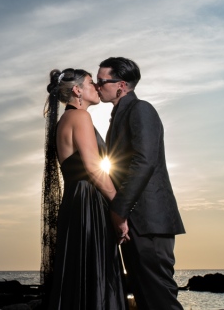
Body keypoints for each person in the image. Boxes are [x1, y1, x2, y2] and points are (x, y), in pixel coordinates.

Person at [97, 57, 185, 310]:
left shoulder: (141, 109)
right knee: (144, 297)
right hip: (135, 222)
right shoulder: (120, 114)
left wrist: (119, 211)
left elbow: (144, 161)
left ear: (121, 85)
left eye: (103, 81)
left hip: (149, 221)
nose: (98, 85)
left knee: (160, 298)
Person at [42, 68, 125, 310]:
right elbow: (92, 167)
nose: (97, 87)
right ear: (77, 90)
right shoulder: (80, 117)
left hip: (76, 202)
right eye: (91, 83)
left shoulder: (65, 120)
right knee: (96, 271)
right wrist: (119, 207)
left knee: (80, 272)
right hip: (87, 202)